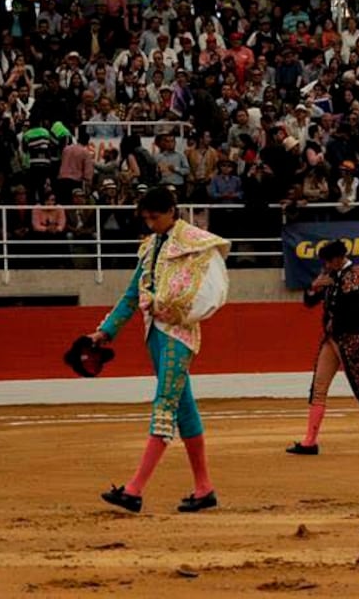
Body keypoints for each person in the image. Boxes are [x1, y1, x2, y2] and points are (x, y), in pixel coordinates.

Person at [87, 187, 230, 514]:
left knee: (164, 405)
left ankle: (135, 490)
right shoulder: (151, 247)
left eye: (155, 217)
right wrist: (105, 331)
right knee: (184, 411)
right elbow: (130, 296)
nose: (150, 223)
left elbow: (210, 292)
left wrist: (175, 308)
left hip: (178, 336)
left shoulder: (195, 242)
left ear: (171, 211)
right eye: (146, 218)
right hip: (156, 335)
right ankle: (204, 488)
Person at [287, 239, 359, 456]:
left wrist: (347, 327)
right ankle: (310, 441)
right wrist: (314, 288)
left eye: (328, 261)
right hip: (331, 338)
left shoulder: (358, 275)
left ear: (338, 259)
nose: (325, 266)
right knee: (318, 387)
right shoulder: (330, 275)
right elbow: (310, 302)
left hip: (351, 338)